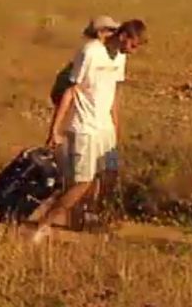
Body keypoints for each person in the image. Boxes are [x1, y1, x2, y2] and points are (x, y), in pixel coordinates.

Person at [32, 19, 148, 243]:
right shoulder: (90, 52)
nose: (134, 51)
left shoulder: (120, 56)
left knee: (109, 176)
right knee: (82, 182)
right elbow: (70, 91)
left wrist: (115, 125)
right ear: (124, 36)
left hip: (104, 127)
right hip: (84, 126)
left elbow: (113, 91)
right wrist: (55, 128)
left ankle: (88, 217)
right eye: (133, 45)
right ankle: (43, 224)